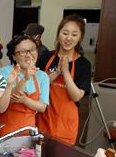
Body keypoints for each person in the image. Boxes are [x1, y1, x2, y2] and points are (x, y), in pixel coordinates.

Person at [36, 14, 92, 145]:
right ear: (58, 33)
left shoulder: (84, 64)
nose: (68, 38)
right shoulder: (46, 56)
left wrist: (66, 73)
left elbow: (77, 96)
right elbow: (37, 85)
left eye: (74, 34)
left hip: (65, 124)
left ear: (80, 38)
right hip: (43, 119)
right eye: (65, 33)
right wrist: (56, 72)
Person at [0, 34, 50, 136]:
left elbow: (42, 107)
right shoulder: (4, 72)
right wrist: (25, 78)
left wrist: (24, 100)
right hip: (7, 130)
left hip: (29, 131)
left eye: (32, 50)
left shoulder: (43, 76)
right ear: (13, 56)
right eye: (22, 52)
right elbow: (12, 97)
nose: (29, 55)